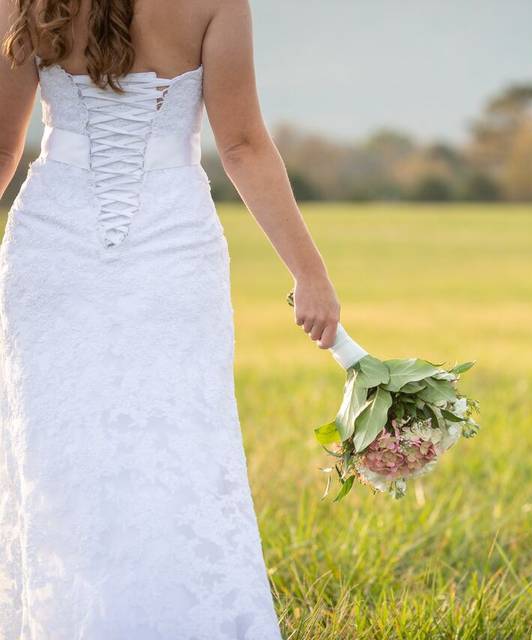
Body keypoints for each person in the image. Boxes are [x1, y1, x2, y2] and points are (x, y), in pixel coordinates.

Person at [0, 0, 340, 636]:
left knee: (58, 454)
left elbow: (0, 147)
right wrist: (309, 274)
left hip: (50, 248)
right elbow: (240, 145)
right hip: (171, 245)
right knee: (179, 439)